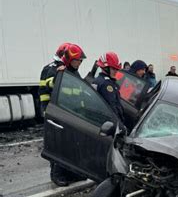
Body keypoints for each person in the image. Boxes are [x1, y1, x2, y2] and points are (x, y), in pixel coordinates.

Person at [49, 44, 87, 186]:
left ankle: (72, 173)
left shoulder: (74, 73)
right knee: (60, 145)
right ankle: (57, 174)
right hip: (61, 114)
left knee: (72, 144)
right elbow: (51, 89)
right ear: (70, 59)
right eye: (78, 60)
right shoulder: (59, 71)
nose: (80, 63)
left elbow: (79, 94)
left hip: (74, 114)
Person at [39, 43, 68, 117]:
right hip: (56, 109)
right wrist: (46, 109)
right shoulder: (49, 69)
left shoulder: (68, 69)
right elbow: (43, 92)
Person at [95, 52, 125, 123]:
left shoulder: (98, 80)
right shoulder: (106, 84)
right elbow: (112, 107)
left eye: (116, 69)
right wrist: (119, 124)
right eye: (113, 69)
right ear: (105, 68)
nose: (116, 71)